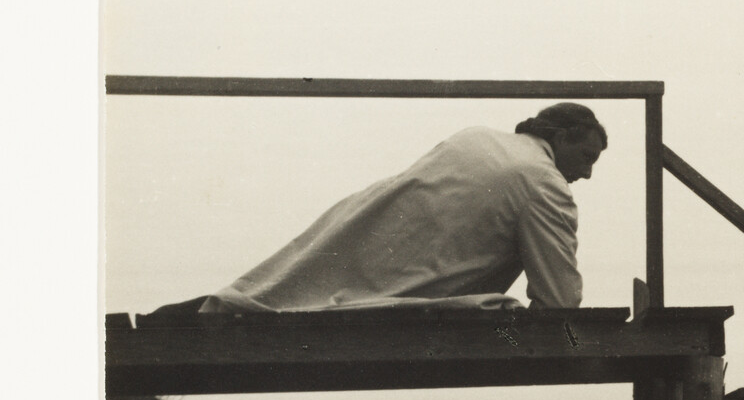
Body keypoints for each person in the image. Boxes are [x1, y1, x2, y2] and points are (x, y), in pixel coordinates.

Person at [156, 102, 607, 316]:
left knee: (291, 284)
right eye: (587, 157)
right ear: (561, 137)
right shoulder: (544, 183)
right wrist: (567, 337)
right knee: (320, 305)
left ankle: (211, 307)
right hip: (410, 279)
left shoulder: (478, 136)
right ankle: (221, 311)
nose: (586, 175)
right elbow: (560, 301)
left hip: (364, 230)